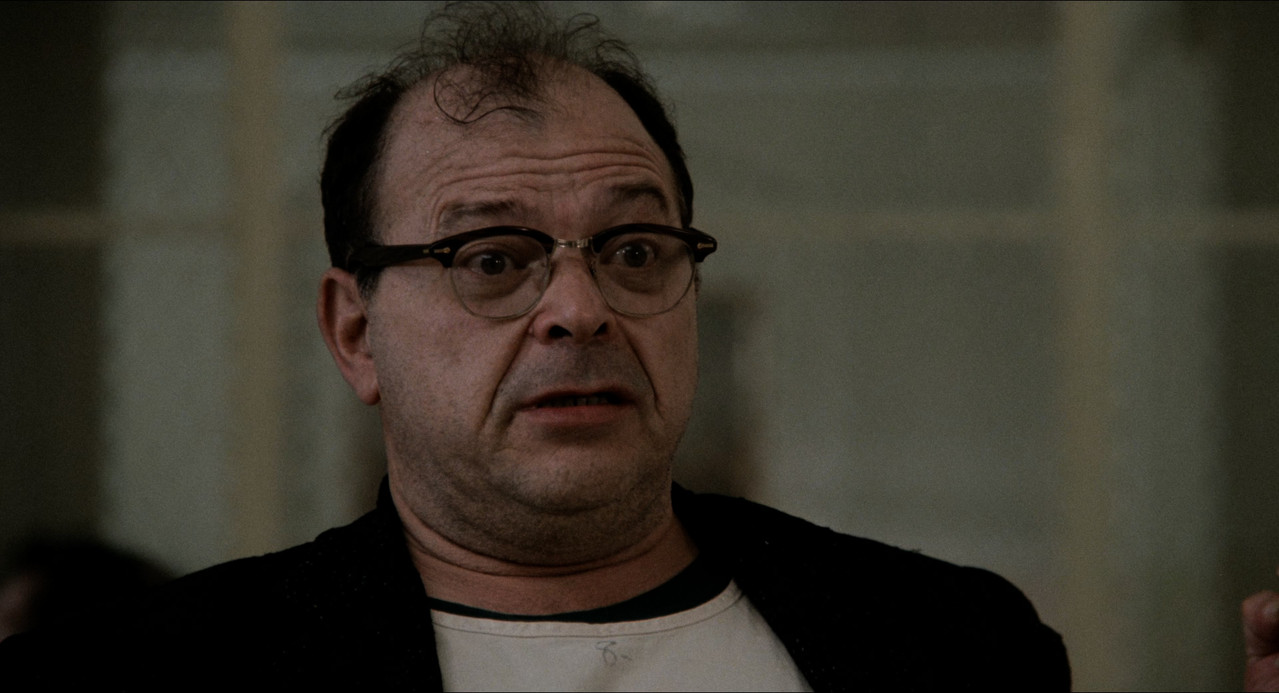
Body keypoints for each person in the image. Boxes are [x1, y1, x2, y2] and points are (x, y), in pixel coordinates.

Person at [0, 4, 1076, 689]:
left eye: (635, 249)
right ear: (355, 333)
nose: (579, 308)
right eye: (490, 257)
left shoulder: (955, 644)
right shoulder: (141, 672)